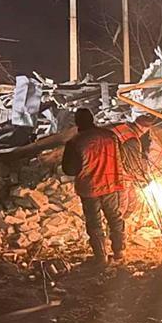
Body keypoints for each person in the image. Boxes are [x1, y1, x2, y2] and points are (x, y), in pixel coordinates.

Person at [62, 108, 128, 268]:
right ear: (92, 119)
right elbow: (123, 157)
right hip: (112, 184)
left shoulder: (75, 142)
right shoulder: (110, 136)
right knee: (115, 218)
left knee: (94, 223)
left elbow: (69, 169)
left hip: (90, 188)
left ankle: (101, 258)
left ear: (77, 123)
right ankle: (119, 252)